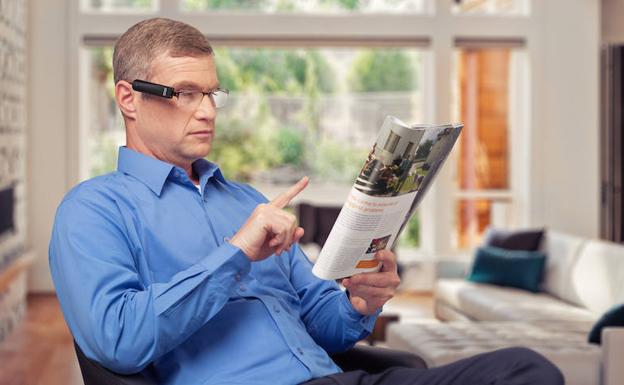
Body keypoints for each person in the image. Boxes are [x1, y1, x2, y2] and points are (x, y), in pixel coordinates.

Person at [49, 18, 564, 385]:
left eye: (212, 93)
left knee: (527, 368)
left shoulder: (245, 200)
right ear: (128, 98)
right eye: (185, 92)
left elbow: (324, 324)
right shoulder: (93, 210)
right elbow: (116, 341)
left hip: (335, 377)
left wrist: (360, 301)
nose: (207, 111)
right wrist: (235, 254)